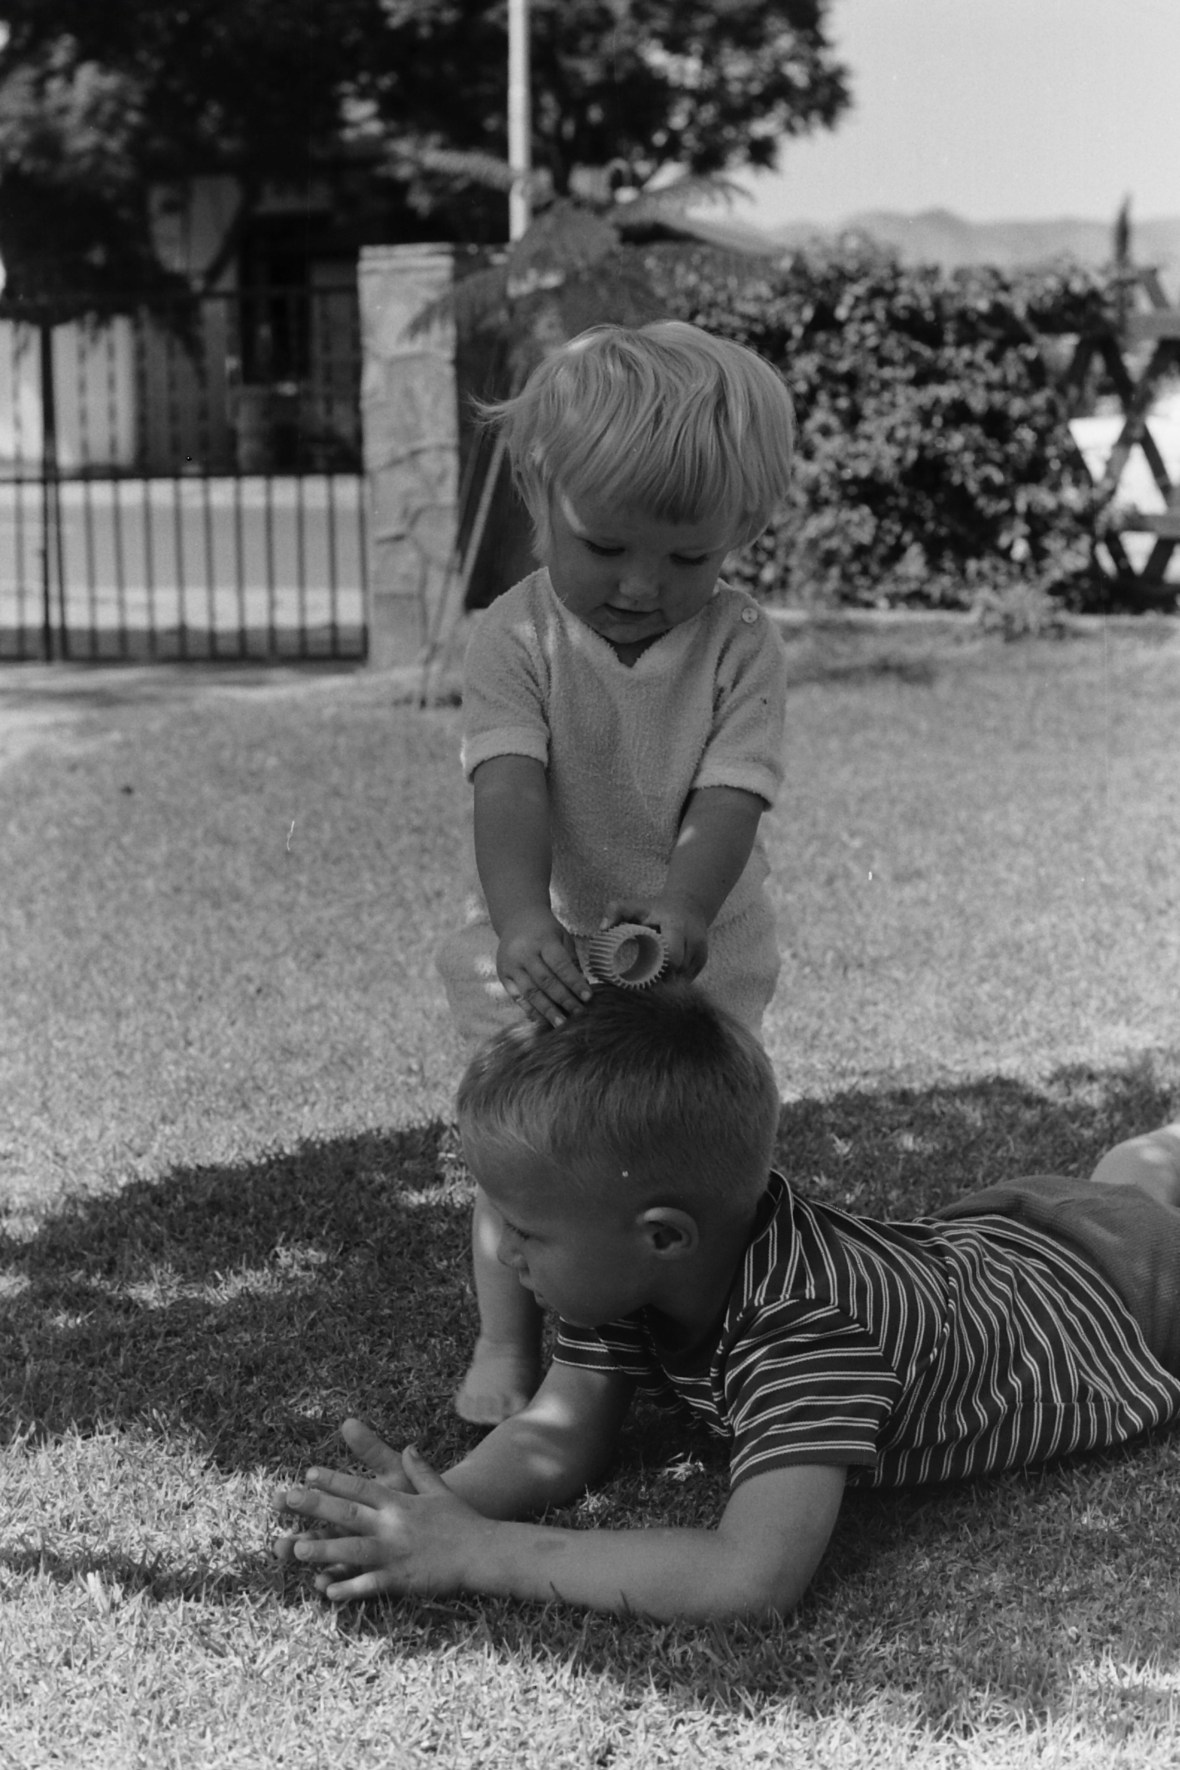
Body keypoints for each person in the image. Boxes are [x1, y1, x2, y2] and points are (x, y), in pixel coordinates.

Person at [276, 984, 1180, 1624]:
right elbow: (564, 1429)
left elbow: (749, 1578)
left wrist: (478, 1554)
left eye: (525, 1230)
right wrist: (432, 1509)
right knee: (1130, 1176)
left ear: (663, 1234)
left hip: (1114, 1298)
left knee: (1138, 1196)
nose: (502, 1254)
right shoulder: (627, 1266)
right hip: (1003, 1236)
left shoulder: (803, 1331)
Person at [433, 321, 796, 1425]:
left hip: (703, 953)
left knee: (697, 1146)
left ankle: (705, 1337)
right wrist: (520, 921)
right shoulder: (514, 637)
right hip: (539, 952)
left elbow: (727, 797)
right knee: (526, 1153)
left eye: (689, 558)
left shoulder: (739, 642)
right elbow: (509, 787)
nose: (643, 585)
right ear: (542, 498)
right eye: (604, 547)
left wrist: (685, 910)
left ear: (741, 528)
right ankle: (508, 1343)